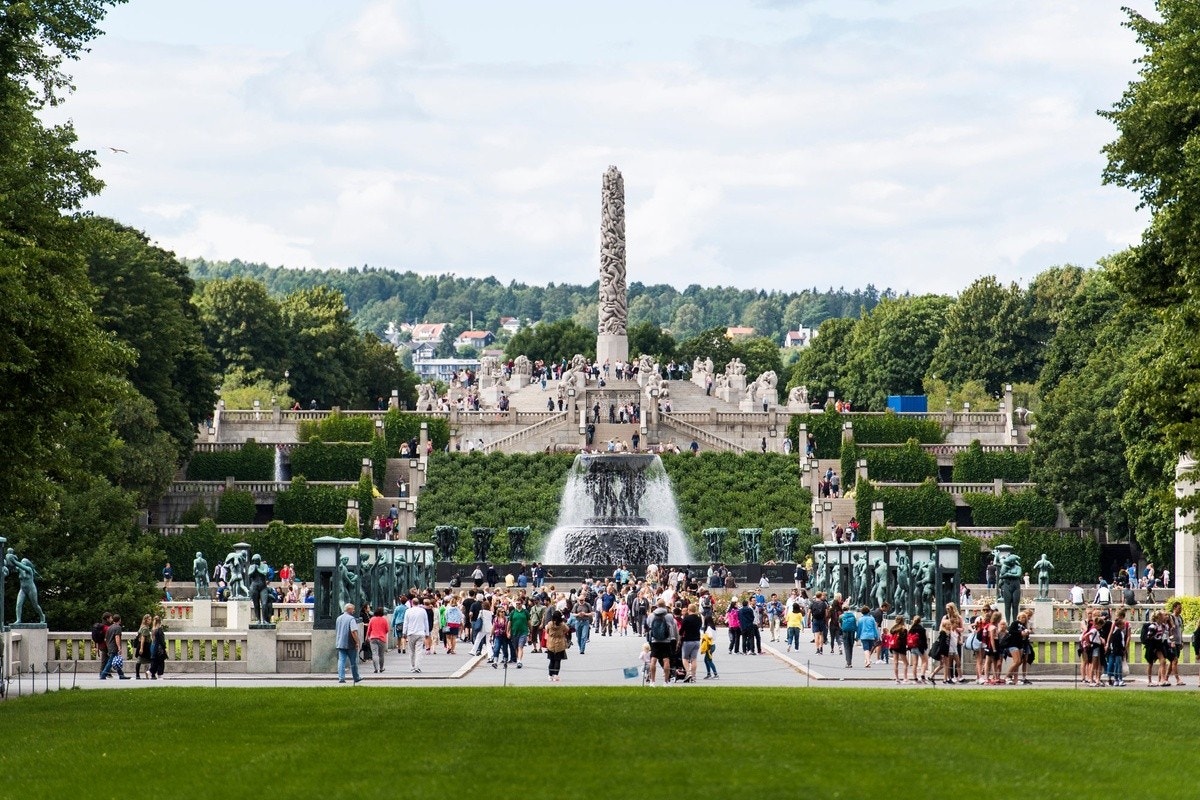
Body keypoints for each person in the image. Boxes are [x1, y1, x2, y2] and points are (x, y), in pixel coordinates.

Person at [646, 601, 679, 686]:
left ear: (657, 606)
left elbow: (648, 626)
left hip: (654, 640)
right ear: (664, 606)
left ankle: (652, 681)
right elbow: (672, 626)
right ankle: (666, 681)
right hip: (666, 640)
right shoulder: (669, 616)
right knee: (666, 659)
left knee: (653, 659)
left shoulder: (651, 615)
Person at [334, 603, 363, 684]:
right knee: (353, 661)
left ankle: (341, 678)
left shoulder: (338, 618)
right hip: (350, 643)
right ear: (349, 610)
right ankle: (356, 677)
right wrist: (357, 642)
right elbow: (353, 631)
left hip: (340, 642)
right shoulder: (351, 619)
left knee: (341, 661)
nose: (354, 611)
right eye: (353, 609)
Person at [403, 596, 431, 673]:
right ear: (418, 603)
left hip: (411, 633)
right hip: (420, 633)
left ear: (412, 603)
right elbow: (426, 622)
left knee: (411, 651)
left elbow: (406, 622)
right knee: (419, 651)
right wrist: (427, 633)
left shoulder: (408, 611)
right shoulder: (423, 611)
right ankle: (417, 666)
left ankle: (412, 666)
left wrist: (404, 632)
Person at [99, 613, 130, 680]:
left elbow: (106, 638)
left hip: (109, 646)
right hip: (114, 647)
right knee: (110, 662)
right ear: (119, 620)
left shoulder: (110, 627)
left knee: (116, 661)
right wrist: (119, 647)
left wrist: (108, 645)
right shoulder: (118, 627)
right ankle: (103, 674)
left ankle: (121, 675)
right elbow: (117, 637)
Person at [366, 606, 389, 673]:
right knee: (381, 654)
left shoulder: (372, 619)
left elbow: (369, 629)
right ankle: (381, 668)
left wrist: (367, 637)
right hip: (382, 638)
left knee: (374, 654)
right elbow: (387, 630)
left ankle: (376, 668)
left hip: (373, 638)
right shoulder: (384, 620)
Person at [134, 613, 153, 679]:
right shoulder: (145, 628)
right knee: (147, 660)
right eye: (149, 619)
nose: (150, 621)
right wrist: (141, 648)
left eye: (151, 619)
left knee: (140, 661)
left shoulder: (142, 627)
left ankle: (139, 675)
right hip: (145, 646)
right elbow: (143, 638)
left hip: (142, 645)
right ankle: (147, 674)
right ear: (146, 620)